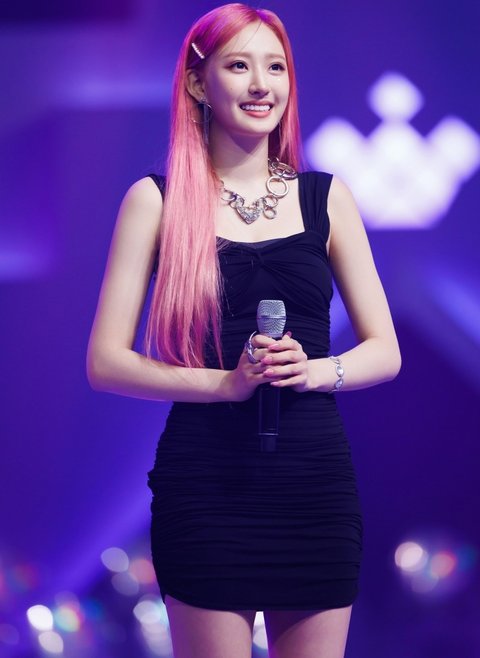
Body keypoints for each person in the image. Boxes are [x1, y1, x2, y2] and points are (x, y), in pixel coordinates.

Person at [87, 4, 401, 657]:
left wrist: (317, 370)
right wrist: (226, 385)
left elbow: (385, 350)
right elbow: (107, 362)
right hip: (207, 484)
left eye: (275, 67)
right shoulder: (156, 201)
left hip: (313, 484)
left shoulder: (326, 198)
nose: (262, 85)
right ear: (198, 83)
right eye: (239, 66)